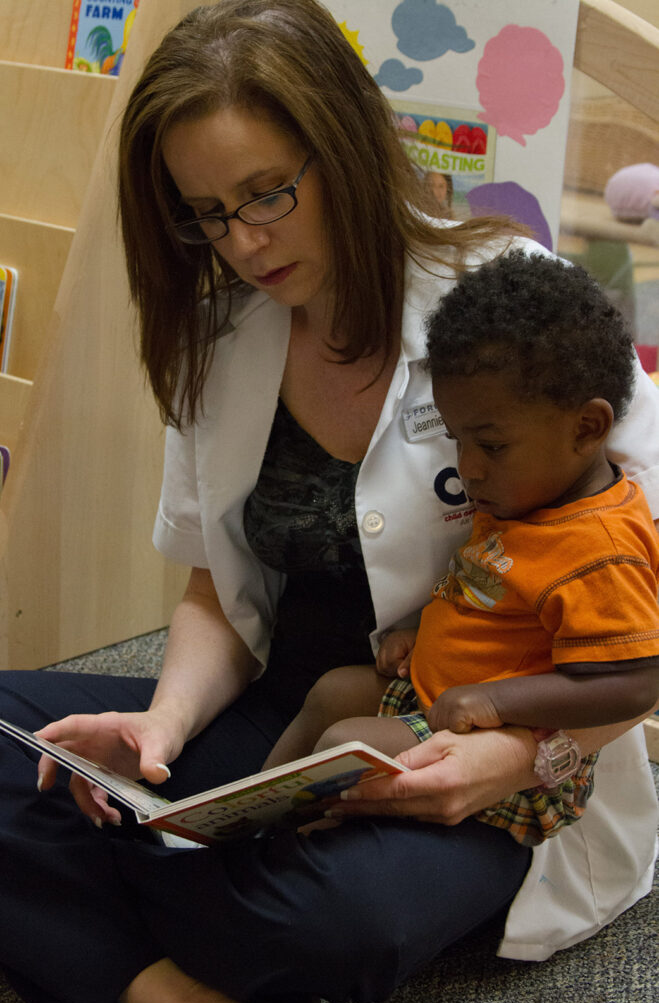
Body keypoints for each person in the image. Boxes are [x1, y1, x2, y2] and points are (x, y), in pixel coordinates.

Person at [0, 3, 658, 1003]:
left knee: (327, 924)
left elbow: (636, 633)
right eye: (205, 211)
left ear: (342, 147)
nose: (243, 241)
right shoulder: (220, 336)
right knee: (40, 759)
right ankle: (161, 994)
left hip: (485, 756)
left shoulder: (518, 307)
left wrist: (512, 757)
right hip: (298, 712)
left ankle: (95, 911)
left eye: (268, 194)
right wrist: (158, 731)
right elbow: (211, 582)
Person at [263, 252, 659, 846]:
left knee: (348, 745)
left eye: (492, 446)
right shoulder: (526, 496)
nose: (467, 469)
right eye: (456, 439)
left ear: (586, 428)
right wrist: (421, 633)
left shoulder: (601, 546)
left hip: (501, 750)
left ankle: (300, 848)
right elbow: (488, 594)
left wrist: (497, 701)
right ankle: (248, 817)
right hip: (438, 695)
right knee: (331, 693)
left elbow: (634, 684)